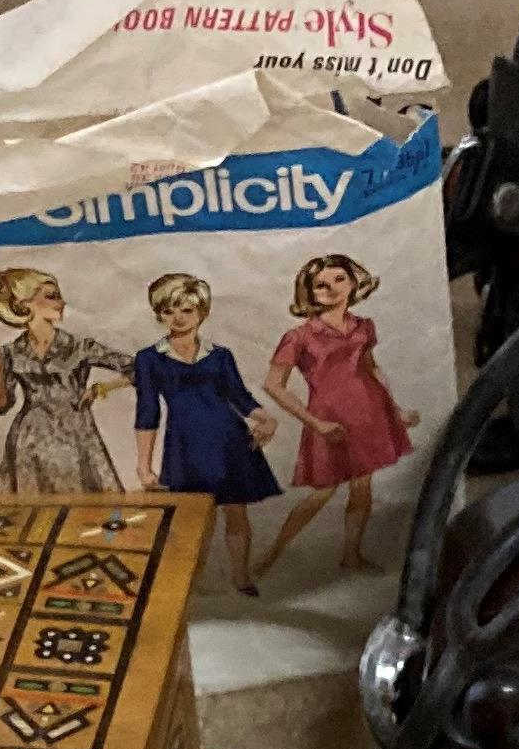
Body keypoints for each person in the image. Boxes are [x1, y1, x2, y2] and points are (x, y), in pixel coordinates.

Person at [263, 253, 418, 574]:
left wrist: (395, 409)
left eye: (338, 280)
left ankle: (351, 555)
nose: (331, 289)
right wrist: (316, 423)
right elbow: (273, 385)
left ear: (352, 282)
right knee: (321, 494)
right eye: (321, 285)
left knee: (363, 488)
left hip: (369, 413)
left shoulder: (363, 327)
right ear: (310, 292)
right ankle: (269, 558)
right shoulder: (299, 337)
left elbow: (371, 368)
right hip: (329, 420)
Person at [131, 273, 283, 595]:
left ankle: (240, 576)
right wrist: (143, 465)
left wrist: (265, 418)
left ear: (202, 312)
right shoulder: (149, 359)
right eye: (170, 310)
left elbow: (240, 397)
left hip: (229, 440)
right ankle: (185, 582)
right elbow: (147, 412)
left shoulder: (220, 355)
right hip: (185, 446)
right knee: (188, 519)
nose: (179, 318)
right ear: (159, 314)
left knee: (235, 511)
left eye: (187, 310)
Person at [0, 267, 124, 495]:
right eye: (51, 296)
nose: (61, 302)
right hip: (30, 441)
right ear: (24, 303)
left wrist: (101, 388)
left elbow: (140, 367)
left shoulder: (79, 346)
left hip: (76, 437)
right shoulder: (11, 352)